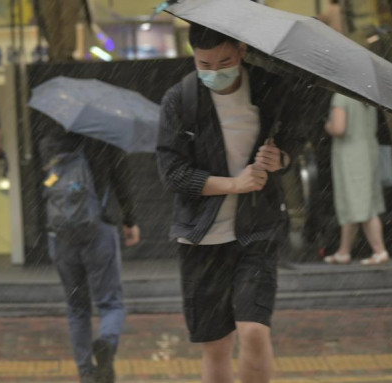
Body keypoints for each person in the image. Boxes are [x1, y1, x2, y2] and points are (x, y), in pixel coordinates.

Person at [156, 24, 304, 383]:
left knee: (254, 331)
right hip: (201, 238)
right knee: (216, 345)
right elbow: (173, 173)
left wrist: (280, 159)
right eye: (204, 64)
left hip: (256, 231)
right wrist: (234, 184)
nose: (214, 72)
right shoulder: (181, 99)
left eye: (224, 61)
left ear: (241, 50)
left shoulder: (271, 88)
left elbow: (294, 143)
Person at [39, 130, 141, 383]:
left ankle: (85, 372)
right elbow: (122, 181)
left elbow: (44, 191)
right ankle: (106, 342)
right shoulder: (106, 139)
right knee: (110, 303)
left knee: (76, 308)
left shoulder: (49, 142)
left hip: (61, 236)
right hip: (98, 230)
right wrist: (130, 221)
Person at [323, 94, 389, 265]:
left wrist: (327, 125)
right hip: (369, 151)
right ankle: (343, 252)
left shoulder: (341, 97)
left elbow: (339, 128)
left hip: (351, 155)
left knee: (361, 205)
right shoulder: (368, 96)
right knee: (357, 203)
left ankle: (379, 250)